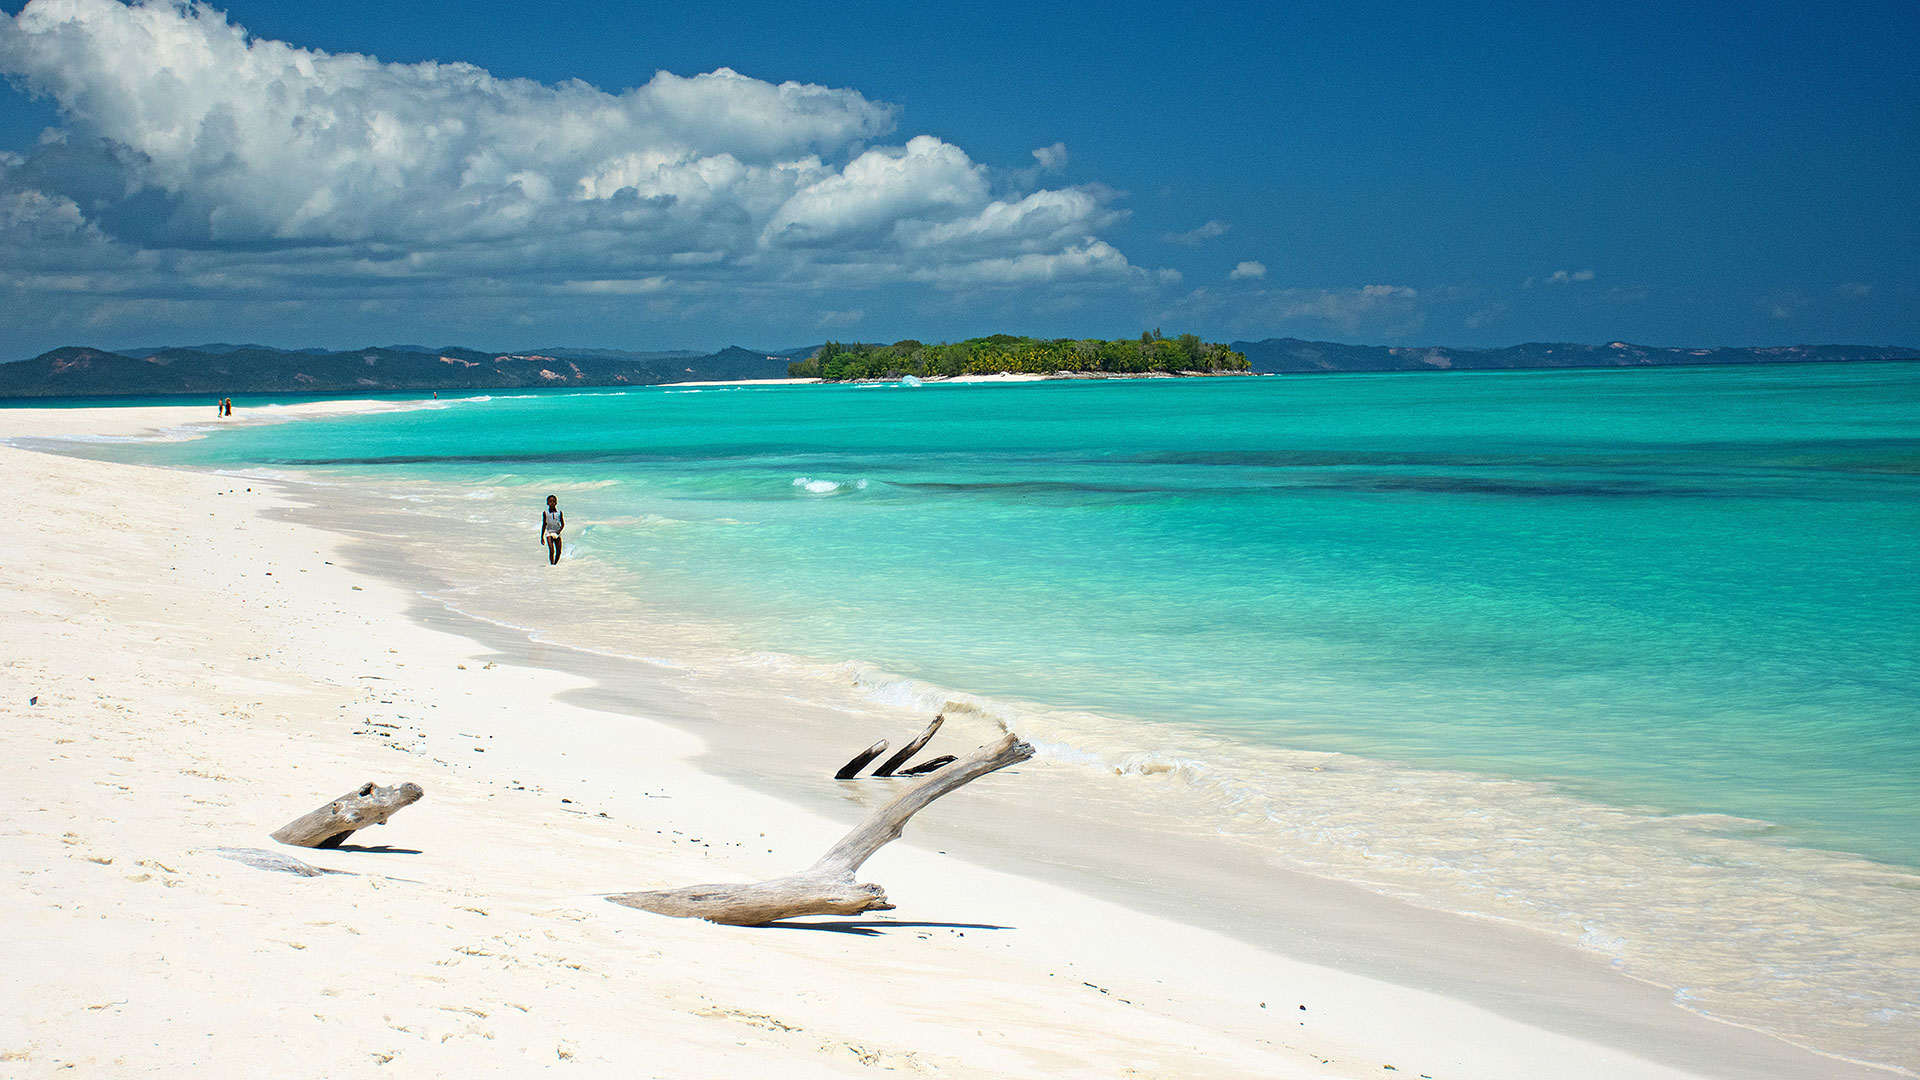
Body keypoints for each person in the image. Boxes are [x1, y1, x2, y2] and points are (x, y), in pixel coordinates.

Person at [540, 495, 564, 565]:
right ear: (547, 503)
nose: (552, 503)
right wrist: (542, 537)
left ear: (556, 503)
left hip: (557, 532)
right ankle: (552, 564)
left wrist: (559, 531)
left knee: (559, 551)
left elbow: (563, 524)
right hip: (549, 533)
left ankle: (555, 564)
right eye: (550, 501)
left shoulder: (559, 513)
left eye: (553, 501)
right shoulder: (545, 513)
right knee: (551, 550)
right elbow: (544, 524)